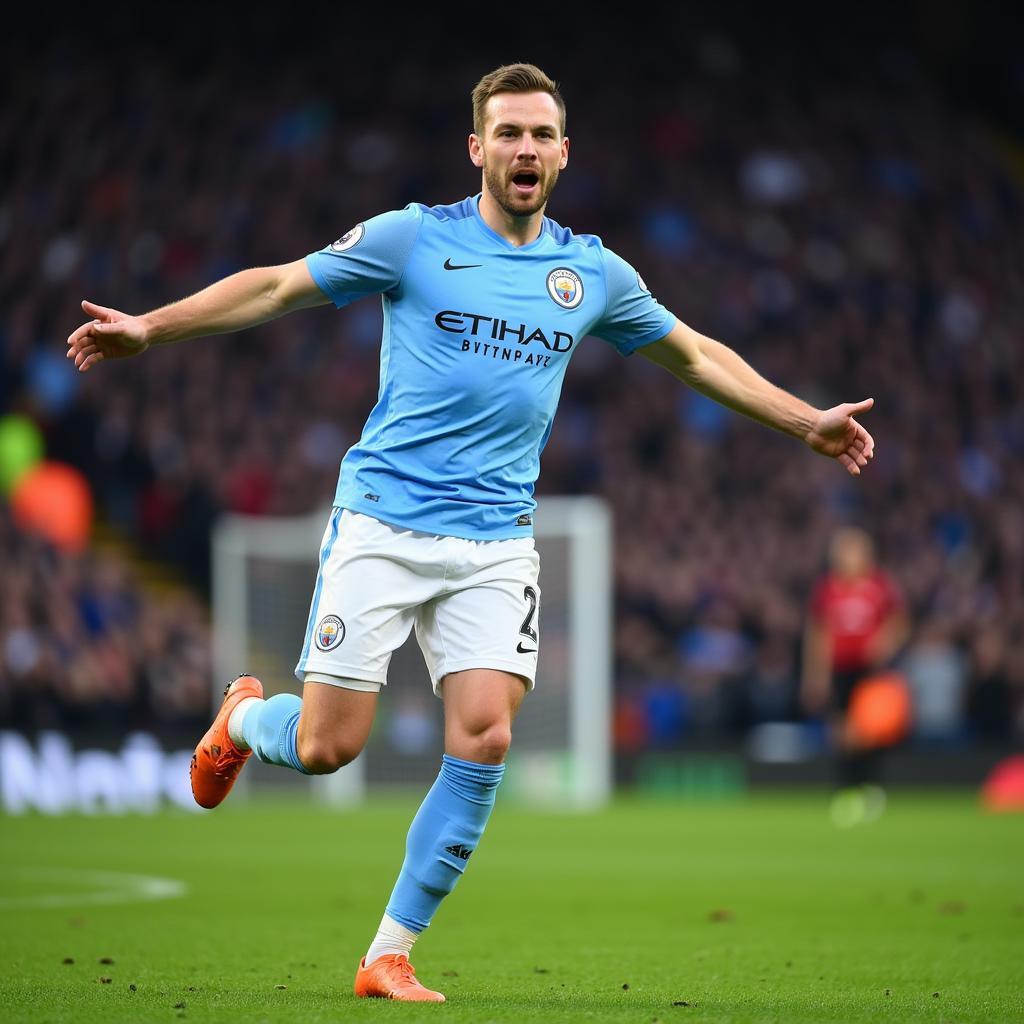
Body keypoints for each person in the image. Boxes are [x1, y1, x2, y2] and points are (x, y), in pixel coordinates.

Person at [66, 63, 876, 1001]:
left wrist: (802, 419)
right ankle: (245, 718)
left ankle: (388, 952)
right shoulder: (414, 238)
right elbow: (280, 286)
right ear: (477, 148)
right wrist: (151, 330)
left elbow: (693, 354)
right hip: (382, 521)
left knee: (485, 737)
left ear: (564, 153)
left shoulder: (594, 273)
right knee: (331, 747)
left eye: (541, 135)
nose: (525, 150)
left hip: (496, 541)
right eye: (508, 134)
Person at [802, 527, 908, 824]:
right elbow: (819, 635)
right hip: (840, 668)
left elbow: (899, 623)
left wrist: (884, 644)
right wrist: (815, 675)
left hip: (870, 669)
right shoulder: (827, 589)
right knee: (841, 734)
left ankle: (870, 789)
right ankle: (847, 791)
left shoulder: (880, 586)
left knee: (867, 732)